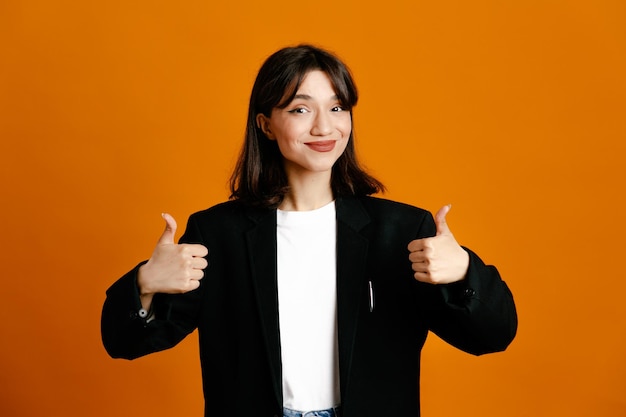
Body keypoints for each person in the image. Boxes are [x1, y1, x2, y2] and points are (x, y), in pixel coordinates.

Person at [101, 44, 517, 417]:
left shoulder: (403, 231)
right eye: (301, 109)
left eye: (338, 108)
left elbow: (492, 336)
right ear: (266, 124)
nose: (324, 127)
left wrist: (464, 271)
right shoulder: (216, 234)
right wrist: (145, 284)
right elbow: (125, 343)